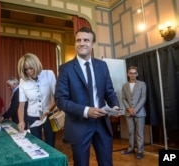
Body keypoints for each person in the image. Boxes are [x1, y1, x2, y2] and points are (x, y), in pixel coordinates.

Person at [54, 27, 120, 166]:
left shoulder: (102, 66)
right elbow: (60, 100)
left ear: (93, 44)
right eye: (78, 40)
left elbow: (109, 91)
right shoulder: (66, 69)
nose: (82, 43)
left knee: (107, 163)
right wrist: (86, 111)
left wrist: (115, 105)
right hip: (79, 124)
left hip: (102, 123)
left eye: (86, 40)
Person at [17, 53, 56, 147]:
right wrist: (21, 121)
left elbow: (56, 97)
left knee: (50, 144)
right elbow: (21, 106)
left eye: (31, 68)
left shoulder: (49, 74)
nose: (28, 71)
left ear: (36, 65)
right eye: (25, 69)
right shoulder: (23, 81)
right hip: (32, 116)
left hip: (49, 115)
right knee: (35, 144)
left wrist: (48, 110)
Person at [121, 66, 147, 159]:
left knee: (139, 133)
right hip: (128, 113)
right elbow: (123, 98)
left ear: (137, 74)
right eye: (131, 73)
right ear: (128, 74)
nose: (132, 75)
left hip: (139, 112)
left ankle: (140, 151)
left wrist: (135, 109)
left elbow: (143, 98)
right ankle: (131, 149)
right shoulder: (124, 85)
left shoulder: (142, 84)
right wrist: (129, 108)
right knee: (131, 132)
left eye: (134, 73)